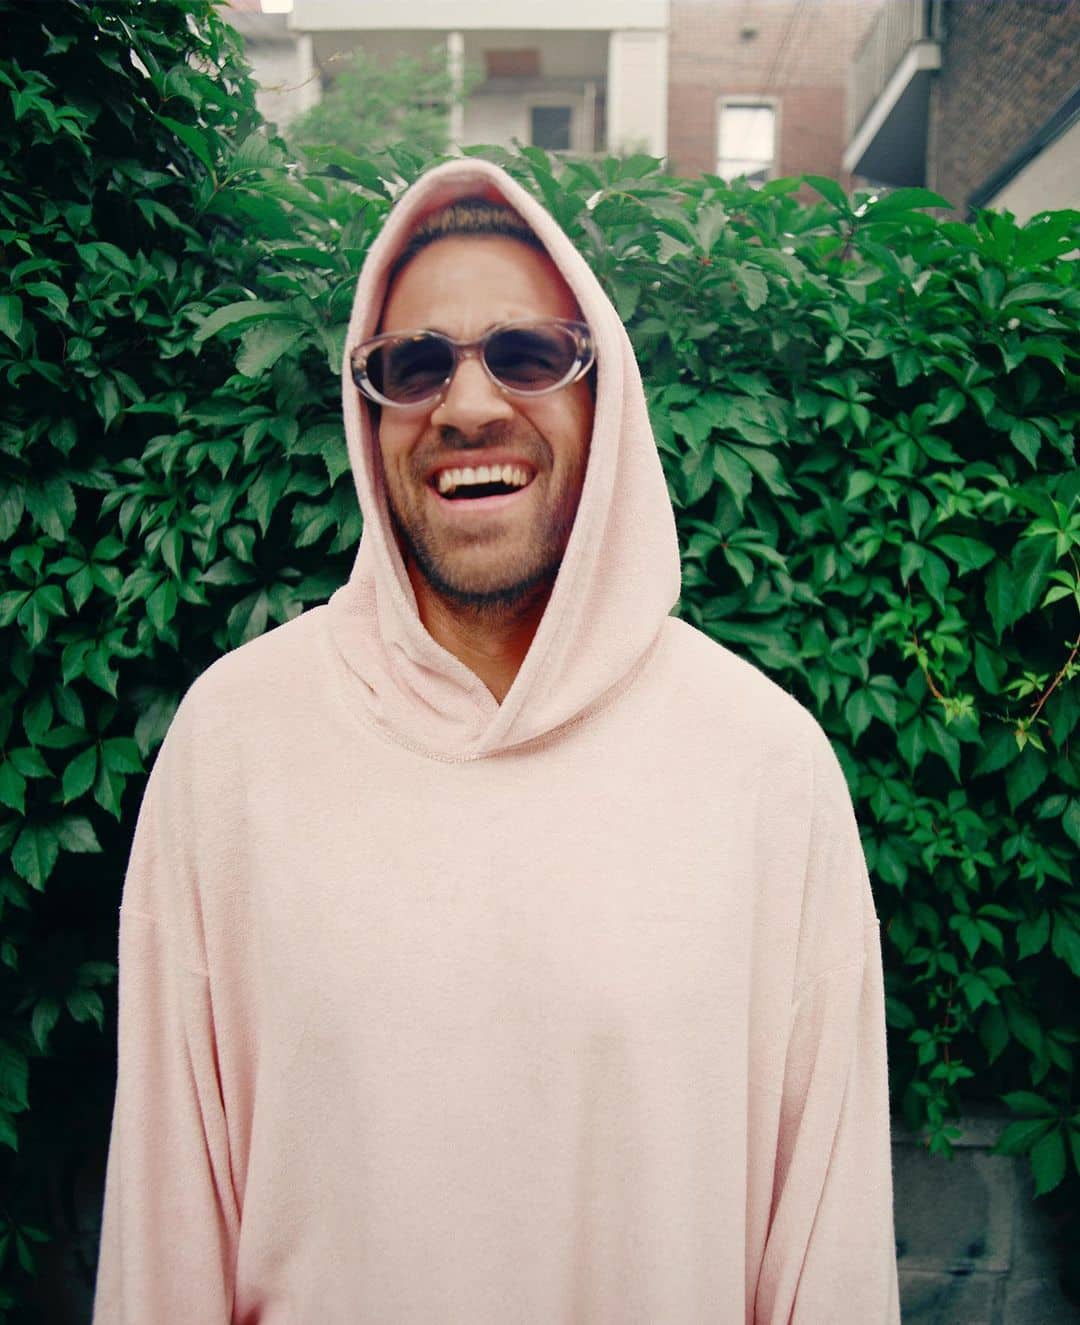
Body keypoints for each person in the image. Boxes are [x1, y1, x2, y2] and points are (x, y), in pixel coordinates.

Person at [93, 158, 900, 1323]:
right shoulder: (236, 747)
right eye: (412, 365)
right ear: (368, 416)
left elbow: (828, 1251)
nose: (466, 405)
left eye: (527, 354)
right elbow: (166, 1224)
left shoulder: (762, 766)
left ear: (604, 398)